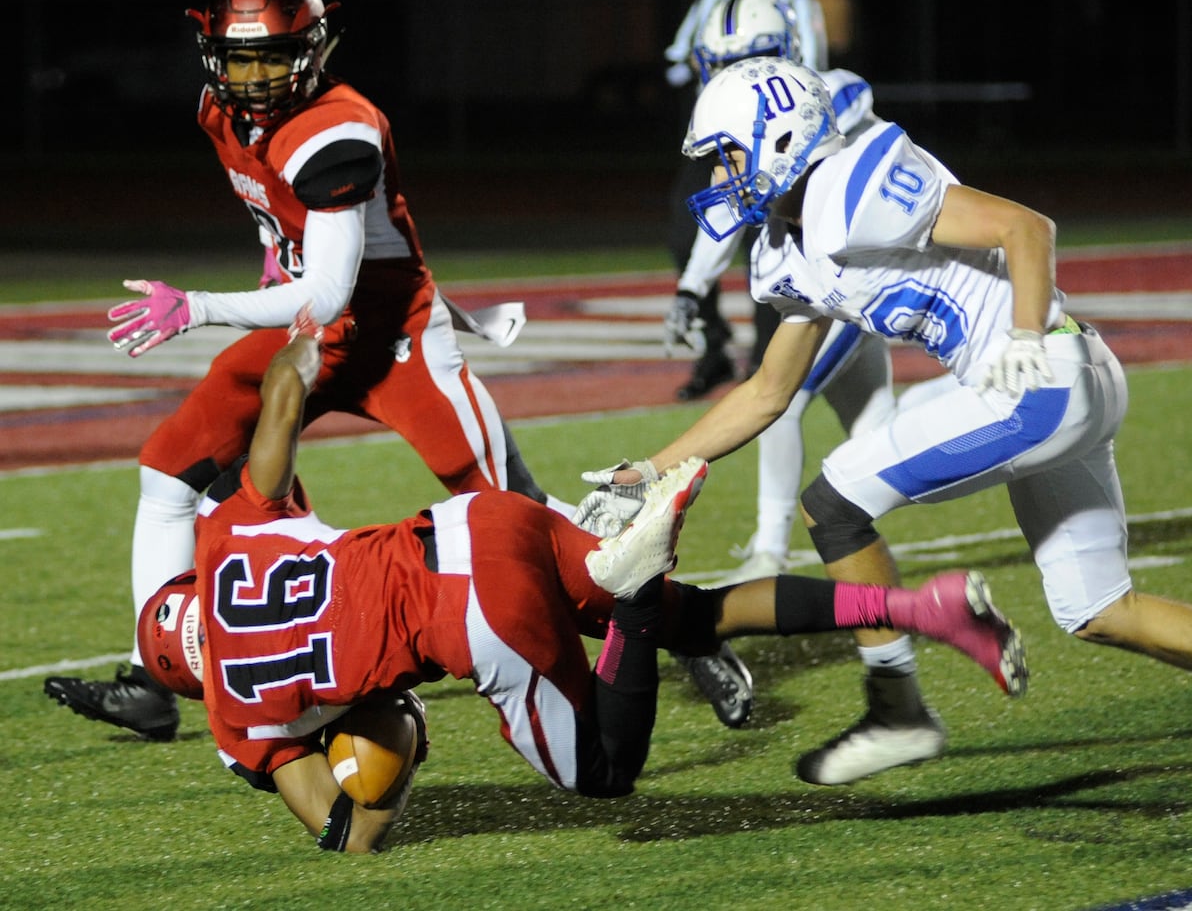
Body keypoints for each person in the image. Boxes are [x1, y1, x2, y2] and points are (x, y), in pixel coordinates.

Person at [576, 57, 1192, 817]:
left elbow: (1025, 227)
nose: (716, 179)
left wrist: (1025, 337)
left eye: (725, 157)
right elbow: (766, 392)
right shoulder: (790, 248)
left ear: (778, 139)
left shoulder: (853, 187)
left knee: (833, 499)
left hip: (1038, 377)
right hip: (1050, 384)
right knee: (1097, 607)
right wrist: (650, 468)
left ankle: (897, 707)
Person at [132, 305, 1027, 852]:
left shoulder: (234, 718)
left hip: (476, 617)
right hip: (478, 522)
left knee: (605, 773)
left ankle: (633, 594)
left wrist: (395, 739)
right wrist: (310, 331)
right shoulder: (231, 540)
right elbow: (281, 403)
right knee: (697, 614)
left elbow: (345, 832)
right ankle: (916, 606)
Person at [44, 0, 570, 744]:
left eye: (271, 58)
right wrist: (270, 251)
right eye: (240, 58)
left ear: (313, 52)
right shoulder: (220, 113)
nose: (253, 79)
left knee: (510, 512)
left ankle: (657, 608)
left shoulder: (337, 127)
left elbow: (328, 292)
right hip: (311, 342)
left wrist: (199, 308)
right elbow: (281, 230)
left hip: (392, 341)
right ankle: (153, 678)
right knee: (169, 467)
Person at [664, 0, 895, 587]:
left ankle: (770, 547)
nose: (732, 74)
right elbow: (735, 204)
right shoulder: (751, 111)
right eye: (719, 62)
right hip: (828, 281)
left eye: (745, 58)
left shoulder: (821, 95)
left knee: (780, 395)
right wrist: (692, 286)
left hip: (854, 277)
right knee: (884, 435)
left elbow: (770, 185)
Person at [662, 0, 828, 401]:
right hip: (723, 143)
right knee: (690, 231)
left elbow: (818, 76)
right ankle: (718, 349)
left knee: (770, 249)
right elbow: (679, 58)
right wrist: (690, 290)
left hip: (777, 146)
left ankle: (768, 361)